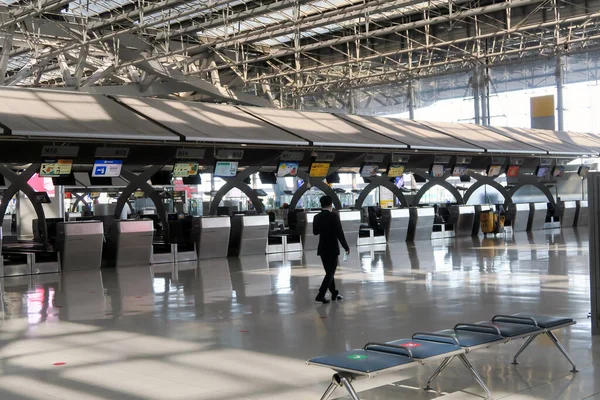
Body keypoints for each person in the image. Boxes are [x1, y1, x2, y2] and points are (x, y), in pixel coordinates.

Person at [313, 195, 350, 304]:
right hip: (332, 248)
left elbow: (315, 232)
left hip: (322, 248)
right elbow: (340, 233)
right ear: (330, 204)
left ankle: (334, 293)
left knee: (329, 272)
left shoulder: (316, 217)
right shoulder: (334, 216)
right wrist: (346, 247)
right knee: (330, 273)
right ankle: (320, 294)